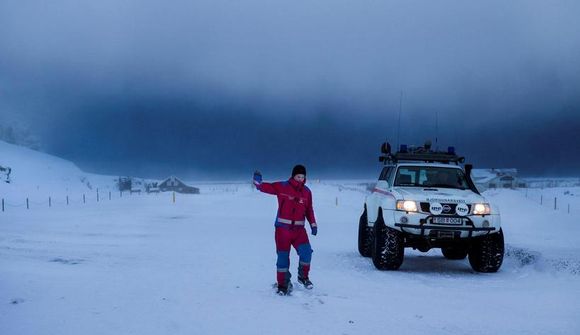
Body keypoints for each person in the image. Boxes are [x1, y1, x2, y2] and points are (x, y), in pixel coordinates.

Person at [253, 165, 317, 295]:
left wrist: (313, 224)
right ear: (293, 176)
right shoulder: (282, 186)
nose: (300, 179)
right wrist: (258, 183)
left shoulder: (307, 192)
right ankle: (283, 284)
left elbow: (309, 210)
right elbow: (267, 188)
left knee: (306, 253)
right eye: (298, 176)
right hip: (283, 230)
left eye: (302, 177)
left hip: (299, 230)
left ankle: (303, 277)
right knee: (283, 258)